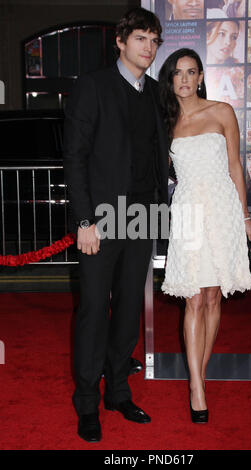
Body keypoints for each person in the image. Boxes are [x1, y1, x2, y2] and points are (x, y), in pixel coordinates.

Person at [63, 7, 169, 443]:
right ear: (121, 43)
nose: (149, 47)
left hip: (144, 217)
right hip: (102, 220)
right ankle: (87, 402)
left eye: (154, 40)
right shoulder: (93, 87)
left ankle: (118, 392)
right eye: (141, 38)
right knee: (93, 312)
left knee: (129, 310)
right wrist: (84, 220)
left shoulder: (157, 93)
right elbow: (76, 157)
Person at [158, 48, 251, 423]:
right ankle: (196, 386)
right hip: (188, 212)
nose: (184, 79)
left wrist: (245, 216)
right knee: (194, 298)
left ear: (200, 76)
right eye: (177, 73)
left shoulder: (222, 111)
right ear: (170, 80)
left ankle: (200, 371)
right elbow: (153, 170)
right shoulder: (165, 122)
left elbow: (235, 165)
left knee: (214, 295)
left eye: (191, 72)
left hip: (223, 208)